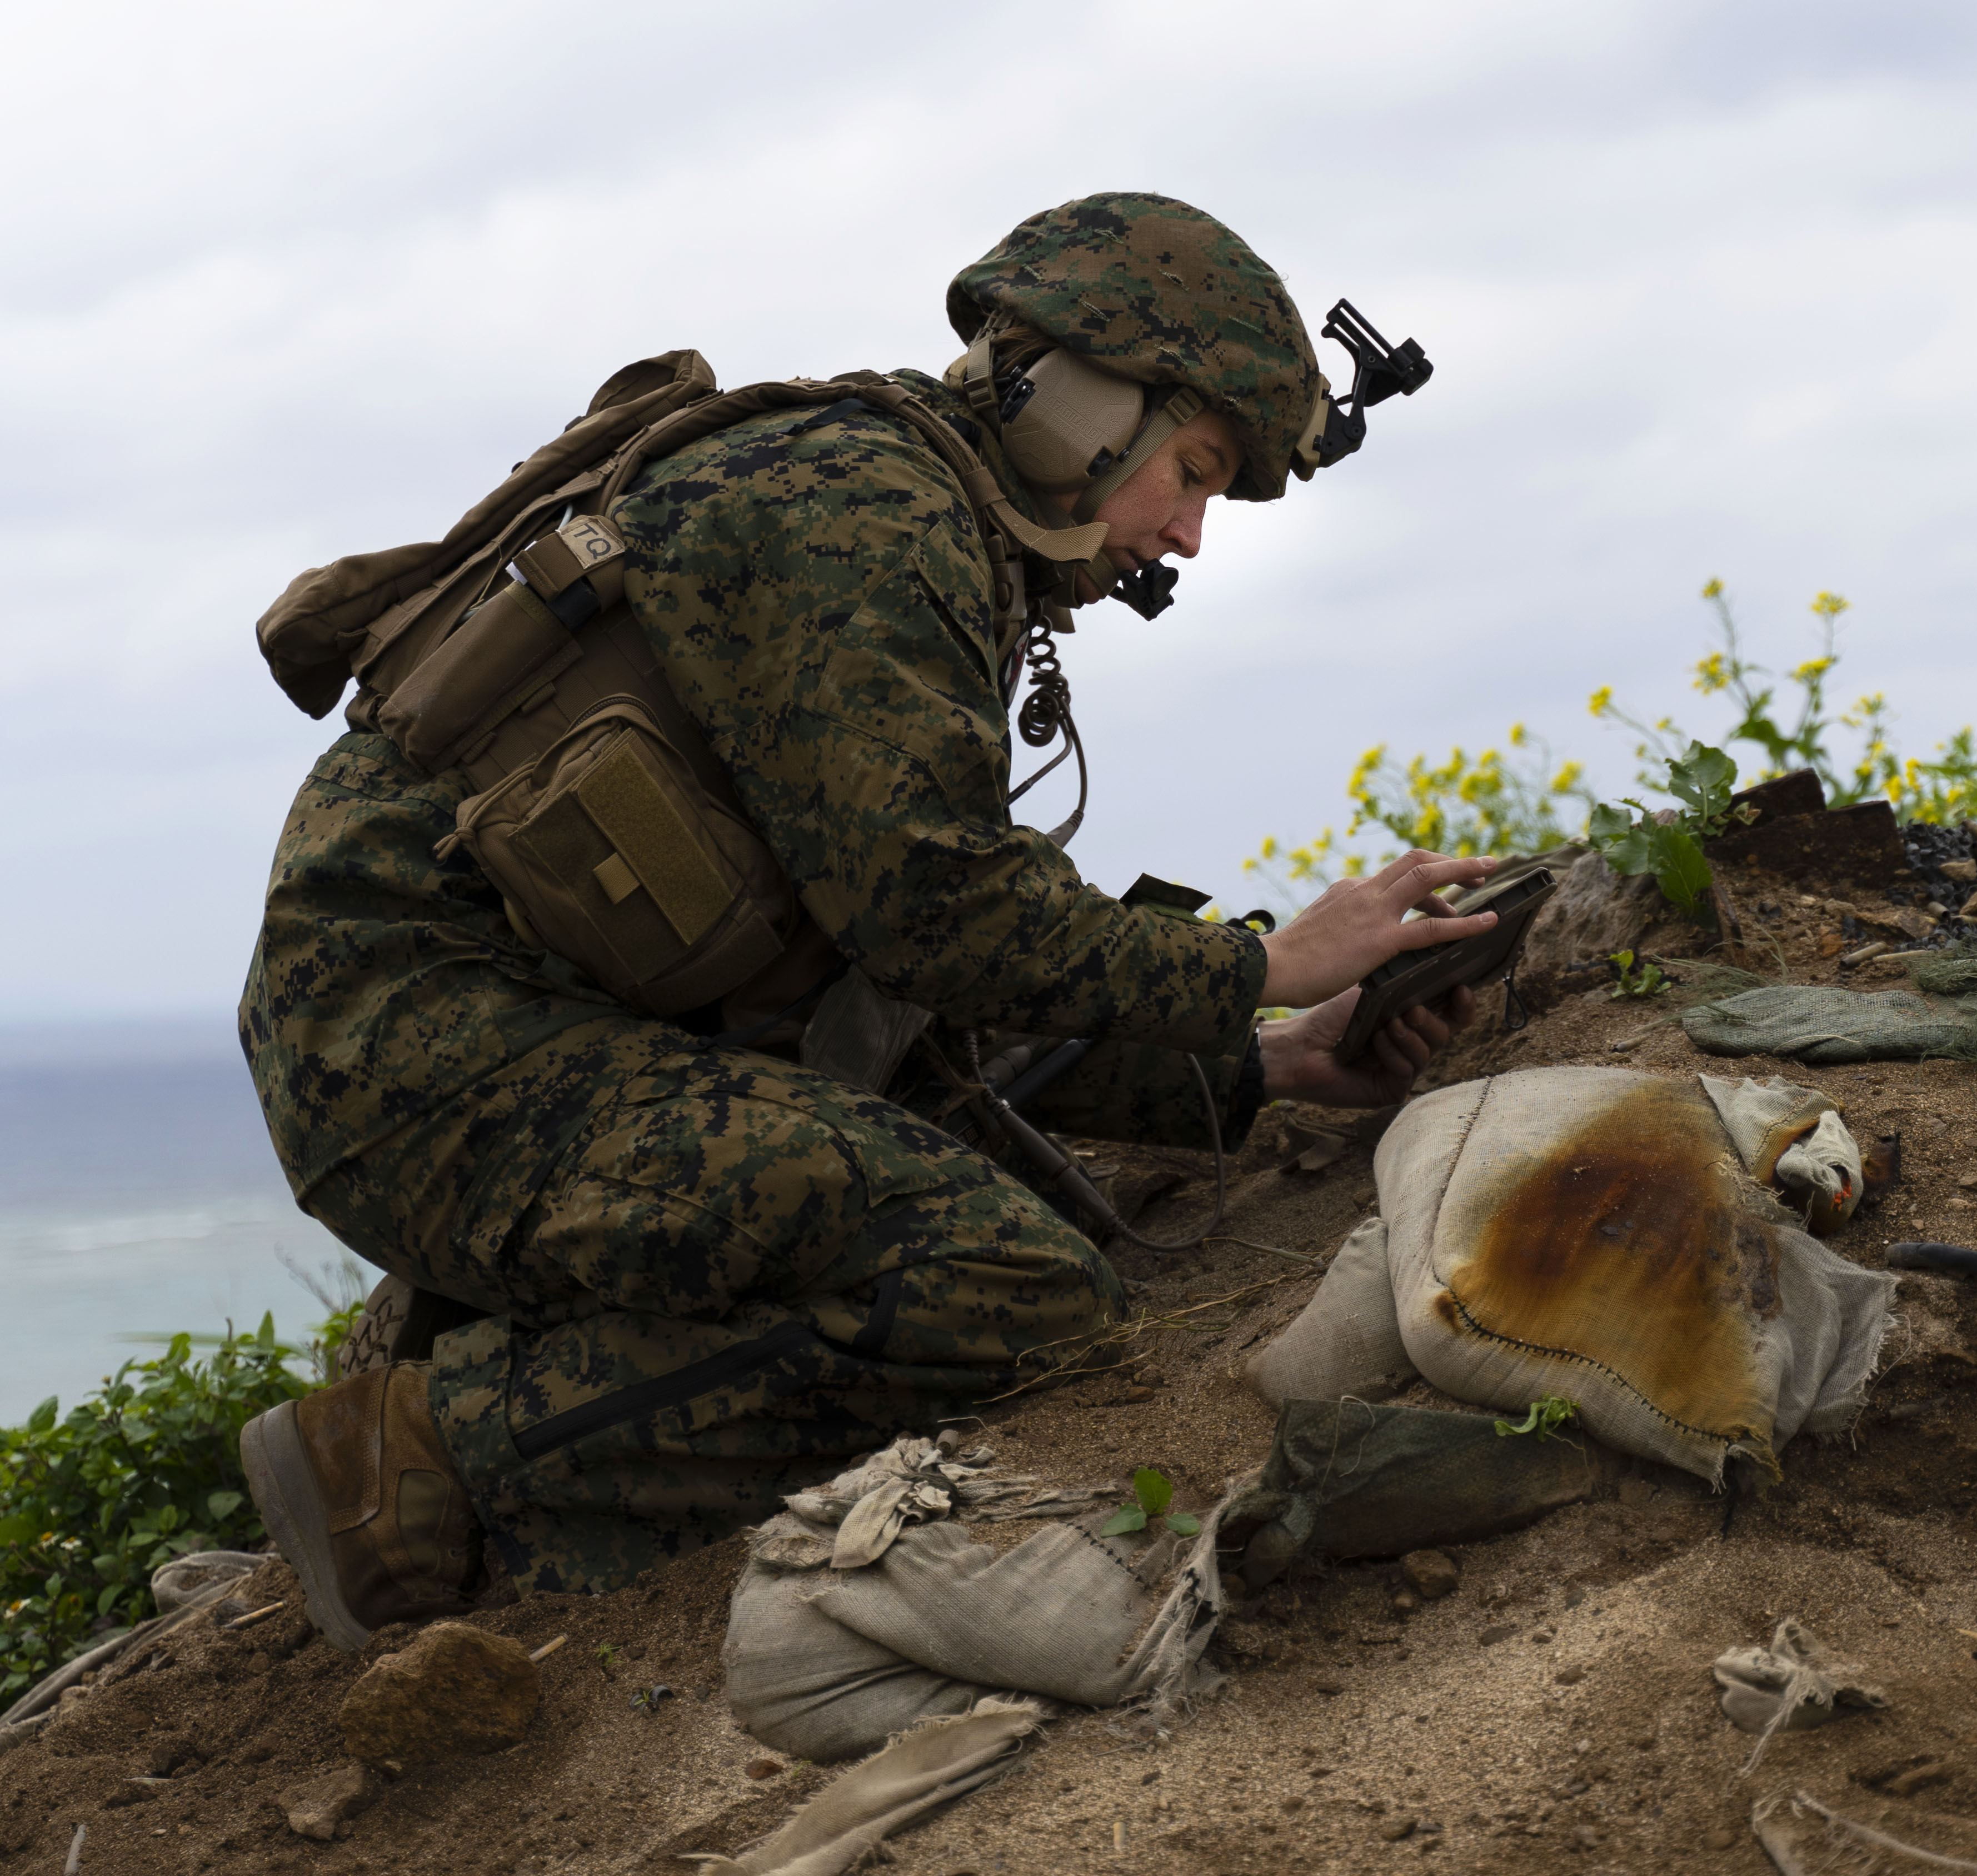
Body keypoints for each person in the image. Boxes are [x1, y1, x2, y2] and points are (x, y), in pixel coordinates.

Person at [234, 193, 1494, 1650]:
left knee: (930, 1203)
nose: (1190, 538)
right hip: (420, 1051)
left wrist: (1269, 1058)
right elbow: (935, 918)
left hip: (494, 1029)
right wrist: (1263, 965)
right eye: (1196, 473)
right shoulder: (869, 511)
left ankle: (526, 1362)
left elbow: (901, 1001)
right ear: (1087, 402)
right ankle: (421, 1459)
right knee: (1003, 1288)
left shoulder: (915, 507)